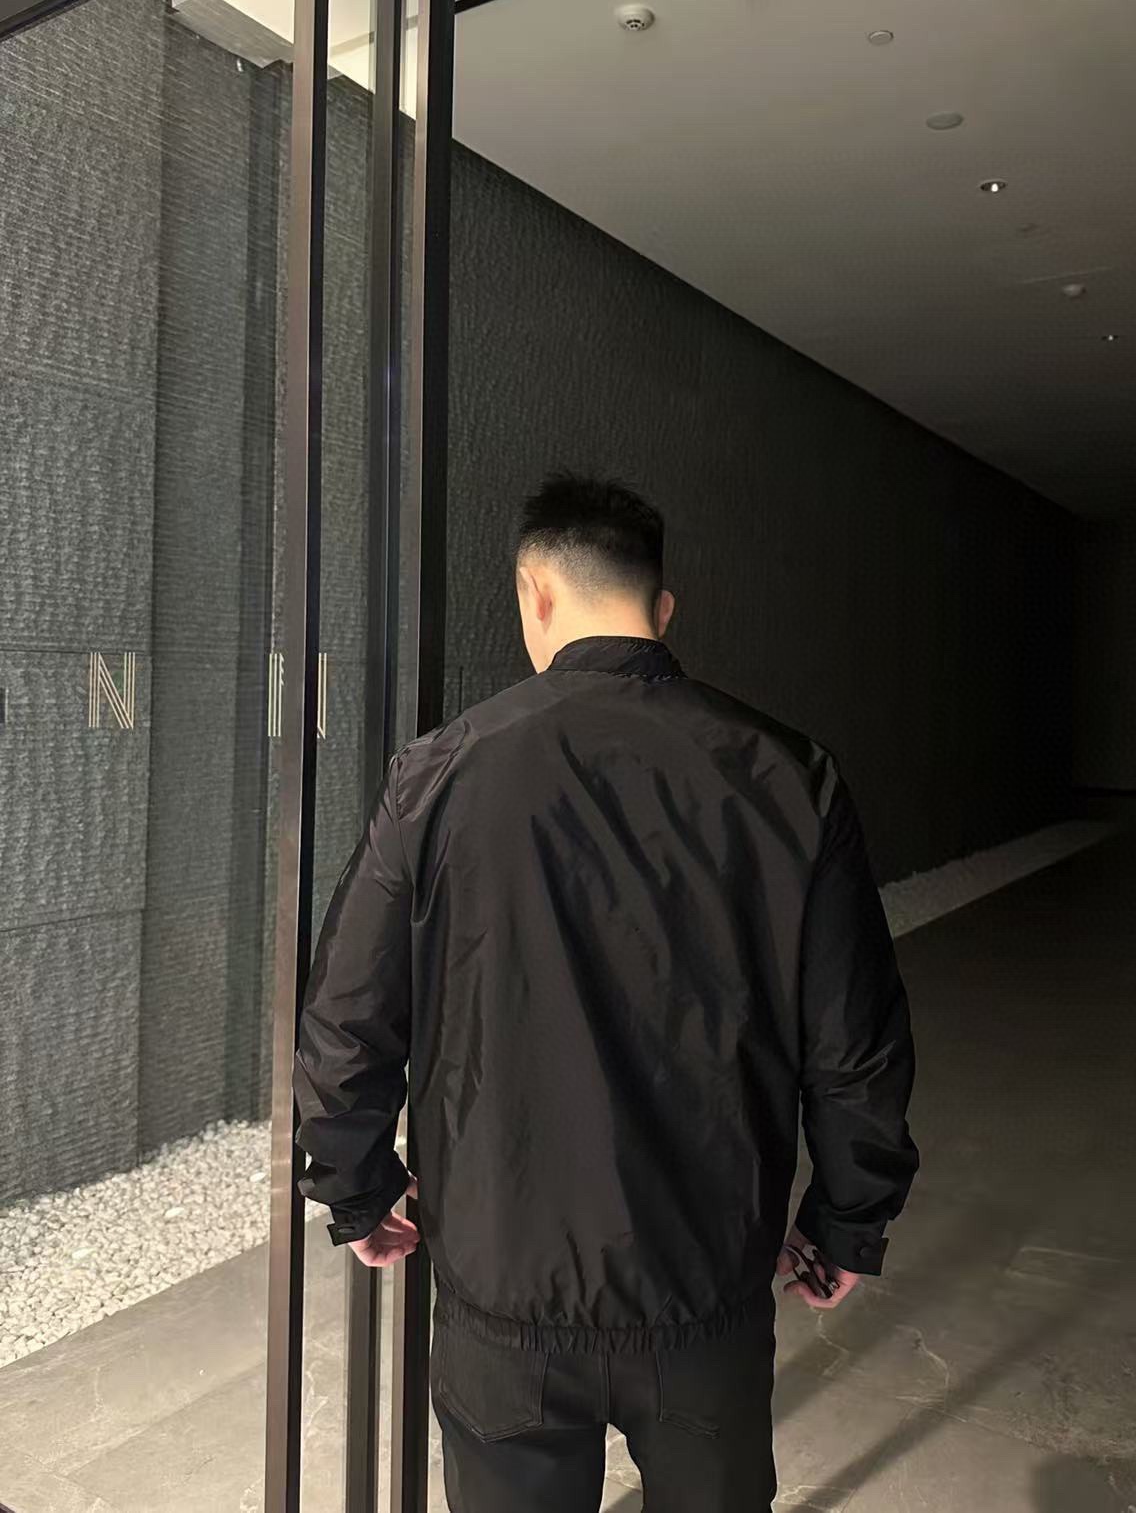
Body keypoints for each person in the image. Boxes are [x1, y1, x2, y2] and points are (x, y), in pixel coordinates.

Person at [294, 472, 918, 1513]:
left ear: (533, 592)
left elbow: (348, 1015)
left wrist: (357, 1185)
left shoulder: (440, 772)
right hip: (704, 1283)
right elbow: (855, 1038)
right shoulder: (789, 774)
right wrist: (848, 1217)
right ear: (662, 609)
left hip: (502, 1288)